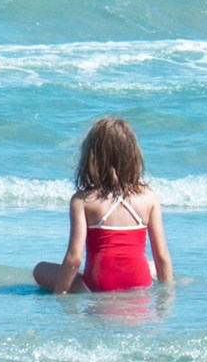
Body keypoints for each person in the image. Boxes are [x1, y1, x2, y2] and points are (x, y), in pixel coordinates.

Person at [34, 117, 173, 294]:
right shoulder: (149, 197)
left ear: (91, 157)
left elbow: (74, 258)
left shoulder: (83, 200)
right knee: (151, 265)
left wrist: (60, 295)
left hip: (98, 287)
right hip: (141, 283)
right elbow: (162, 256)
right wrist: (166, 294)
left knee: (40, 270)